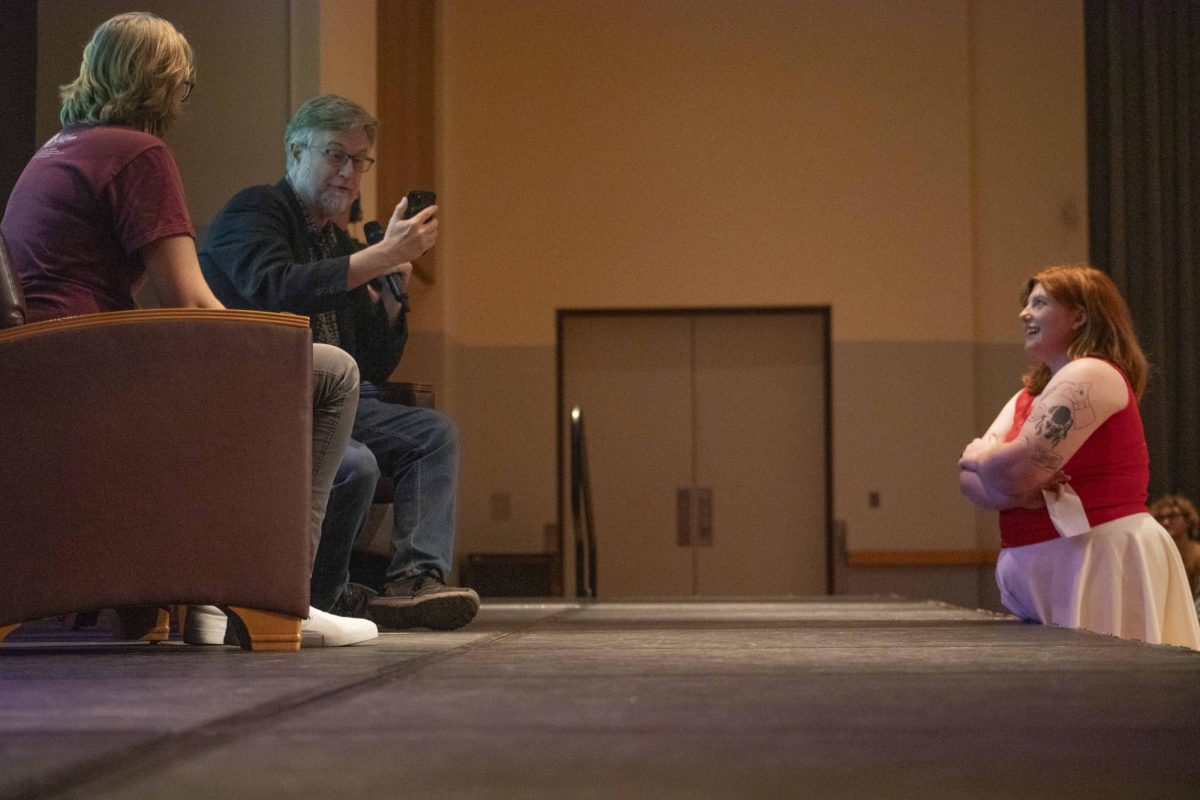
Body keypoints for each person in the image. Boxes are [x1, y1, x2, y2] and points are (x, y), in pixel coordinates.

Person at [0, 12, 376, 647]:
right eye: (184, 83)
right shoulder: (139, 153)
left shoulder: (57, 149)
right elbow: (194, 305)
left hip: (41, 372)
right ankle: (284, 598)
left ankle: (207, 598)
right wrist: (274, 350)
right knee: (331, 371)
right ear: (164, 81)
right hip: (89, 373)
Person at [199, 95, 480, 631]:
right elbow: (272, 289)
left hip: (337, 397)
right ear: (294, 153)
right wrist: (378, 258)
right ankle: (324, 598)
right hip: (262, 396)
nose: (350, 173)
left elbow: (371, 361)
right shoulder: (254, 211)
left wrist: (394, 293)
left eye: (360, 161)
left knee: (433, 433)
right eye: (336, 156)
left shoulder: (338, 241)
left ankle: (413, 581)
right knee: (358, 466)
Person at [958, 265, 1199, 649]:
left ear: (1080, 315)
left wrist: (981, 454)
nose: (1024, 313)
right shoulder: (1028, 396)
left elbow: (1013, 473)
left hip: (1097, 559)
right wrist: (1008, 477)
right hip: (1052, 564)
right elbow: (970, 484)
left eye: (1039, 303)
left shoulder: (1091, 373)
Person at [1147, 495, 1200, 618]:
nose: (1166, 522)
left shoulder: (1197, 556)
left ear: (1187, 520)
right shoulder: (1153, 556)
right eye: (1161, 518)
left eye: (1173, 516)